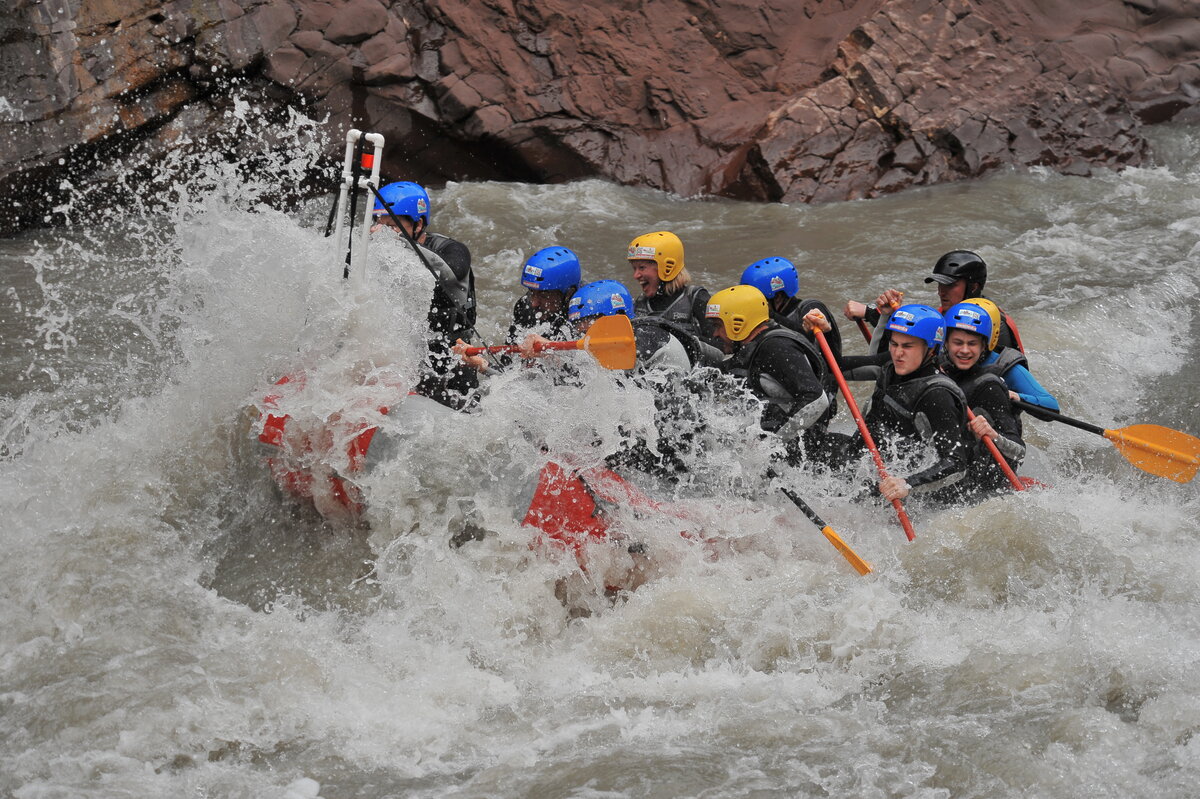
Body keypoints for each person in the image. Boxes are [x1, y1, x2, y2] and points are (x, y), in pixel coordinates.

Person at [818, 303, 971, 504]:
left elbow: (956, 464)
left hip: (908, 491)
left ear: (931, 349)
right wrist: (826, 332)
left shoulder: (937, 395)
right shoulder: (890, 366)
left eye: (908, 346)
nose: (898, 353)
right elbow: (833, 367)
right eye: (894, 344)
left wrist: (907, 484)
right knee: (812, 442)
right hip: (867, 463)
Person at [372, 180, 477, 408]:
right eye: (379, 224)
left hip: (451, 356)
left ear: (418, 224)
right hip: (408, 354)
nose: (383, 233)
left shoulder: (452, 250)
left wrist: (398, 243)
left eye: (392, 226)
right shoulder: (379, 253)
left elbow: (450, 272)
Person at [704, 285, 833, 459]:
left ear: (738, 323)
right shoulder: (752, 347)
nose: (716, 334)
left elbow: (816, 399)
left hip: (799, 455)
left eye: (718, 325)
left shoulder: (776, 347)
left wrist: (771, 446)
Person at [843, 250, 1024, 353]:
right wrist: (875, 313)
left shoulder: (995, 325)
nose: (941, 292)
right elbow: (916, 337)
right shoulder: (945, 314)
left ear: (973, 287)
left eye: (950, 285)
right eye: (939, 284)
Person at [941, 301, 1027, 495]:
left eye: (972, 343)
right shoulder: (938, 372)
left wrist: (993, 435)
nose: (964, 350)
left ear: (983, 347)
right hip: (949, 474)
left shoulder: (989, 386)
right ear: (945, 343)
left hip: (981, 488)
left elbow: (1019, 452)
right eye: (957, 342)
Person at [958, 298, 1059, 414]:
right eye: (958, 341)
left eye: (972, 340)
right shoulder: (944, 360)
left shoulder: (1006, 367)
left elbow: (1052, 405)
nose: (964, 350)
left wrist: (1017, 396)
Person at [627, 230, 712, 340]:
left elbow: (720, 347)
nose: (636, 275)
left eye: (642, 268)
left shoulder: (696, 298)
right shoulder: (640, 304)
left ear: (667, 267)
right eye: (634, 269)